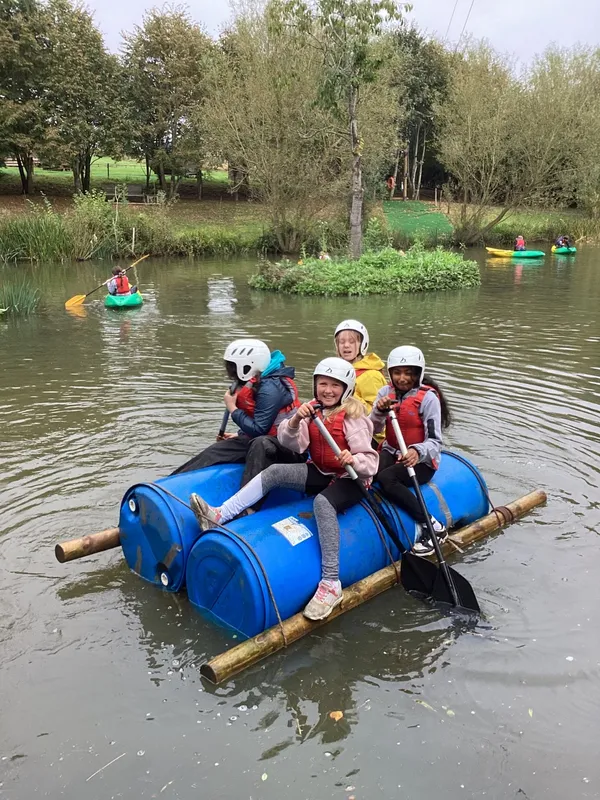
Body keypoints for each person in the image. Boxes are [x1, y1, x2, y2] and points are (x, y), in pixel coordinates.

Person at [190, 357, 379, 620]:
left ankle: (331, 583)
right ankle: (219, 515)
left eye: (335, 386)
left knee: (323, 504)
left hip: (353, 479)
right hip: (323, 472)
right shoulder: (311, 410)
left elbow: (371, 464)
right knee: (276, 472)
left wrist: (354, 459)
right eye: (323, 384)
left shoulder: (354, 418)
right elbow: (294, 446)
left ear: (346, 388)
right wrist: (292, 423)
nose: (328, 390)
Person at [173, 339, 303, 483]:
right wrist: (240, 434)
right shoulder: (262, 381)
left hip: (286, 448)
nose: (231, 371)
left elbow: (260, 429)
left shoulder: (270, 388)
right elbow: (267, 420)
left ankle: (246, 502)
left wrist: (233, 408)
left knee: (257, 443)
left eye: (233, 367)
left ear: (249, 366)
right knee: (215, 451)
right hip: (269, 439)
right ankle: (168, 483)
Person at [370, 345, 451, 557]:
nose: (402, 378)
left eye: (408, 373)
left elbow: (435, 441)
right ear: (390, 373)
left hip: (422, 461)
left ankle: (432, 525)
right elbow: (373, 429)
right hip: (391, 450)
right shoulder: (384, 393)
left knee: (388, 479)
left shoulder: (429, 399)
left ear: (418, 373)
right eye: (397, 372)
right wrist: (379, 411)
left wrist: (416, 451)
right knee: (369, 470)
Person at [334, 319, 387, 416]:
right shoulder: (336, 370)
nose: (346, 345)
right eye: (342, 342)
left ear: (362, 344)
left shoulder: (372, 375)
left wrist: (346, 392)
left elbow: (376, 413)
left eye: (352, 342)